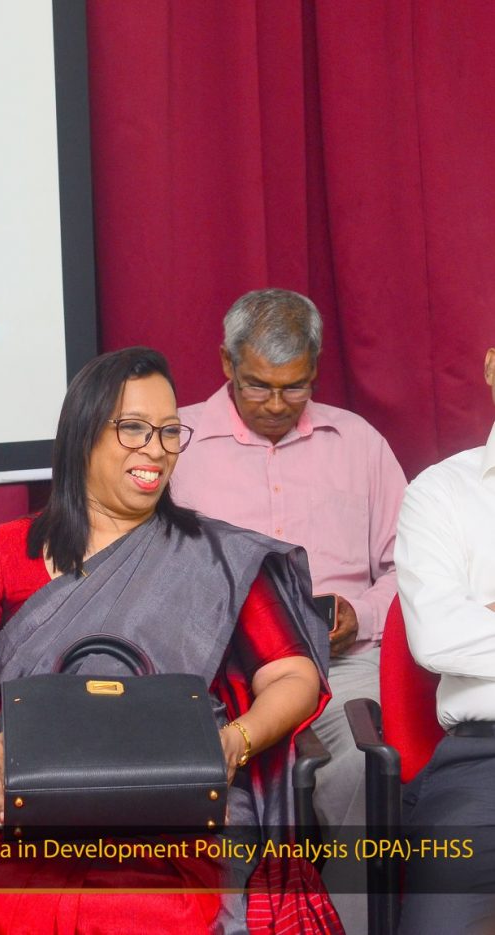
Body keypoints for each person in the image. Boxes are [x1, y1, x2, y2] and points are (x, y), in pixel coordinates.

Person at [0, 346, 343, 934]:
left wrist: (234, 743)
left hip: (182, 815)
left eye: (169, 432)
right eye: (134, 429)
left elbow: (293, 675)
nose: (156, 450)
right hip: (32, 814)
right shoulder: (10, 551)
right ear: (84, 434)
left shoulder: (218, 558)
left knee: (157, 917)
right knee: (0, 914)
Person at [171, 289, 406, 933]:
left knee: (366, 768)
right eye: (258, 386)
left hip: (343, 667)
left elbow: (407, 569)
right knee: (202, 777)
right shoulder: (177, 444)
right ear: (226, 363)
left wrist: (360, 612)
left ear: (316, 369)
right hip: (217, 675)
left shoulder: (357, 443)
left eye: (294, 387)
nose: (276, 404)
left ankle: (350, 924)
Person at [394, 347, 495, 933]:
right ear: (490, 367)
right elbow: (436, 637)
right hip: (485, 765)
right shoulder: (439, 493)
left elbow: (464, 629)